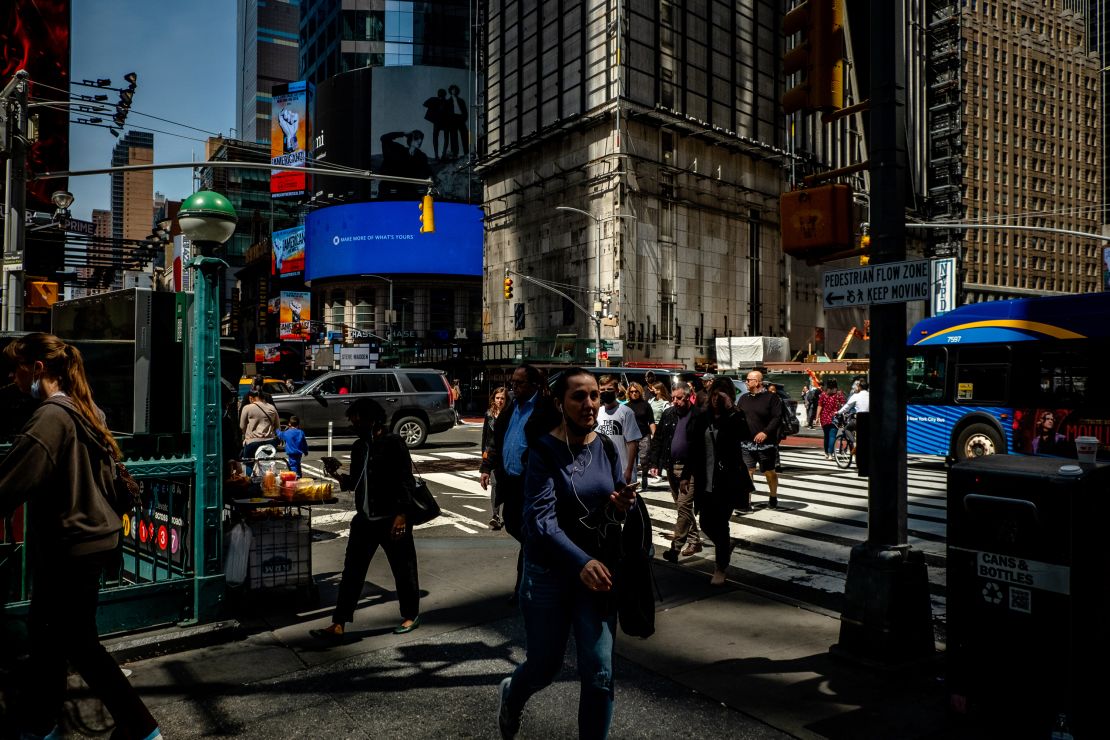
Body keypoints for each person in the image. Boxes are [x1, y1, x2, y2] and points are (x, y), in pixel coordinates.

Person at [0, 333, 163, 740]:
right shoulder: (86, 409)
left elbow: (8, 485)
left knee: (77, 643)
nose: (12, 376)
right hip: (92, 541)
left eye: (16, 367)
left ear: (38, 369)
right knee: (49, 639)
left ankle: (142, 728)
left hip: (69, 545)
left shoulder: (50, 418)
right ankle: (43, 722)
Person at [496, 368, 638, 740]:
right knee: (544, 666)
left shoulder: (606, 446)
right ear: (560, 403)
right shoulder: (543, 450)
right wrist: (581, 562)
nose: (589, 404)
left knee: (600, 673)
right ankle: (513, 693)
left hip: (597, 576)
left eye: (594, 395)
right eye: (579, 396)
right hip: (549, 574)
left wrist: (620, 505)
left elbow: (611, 506)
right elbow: (540, 522)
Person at [312, 398, 421, 638]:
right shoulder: (359, 447)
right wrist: (337, 475)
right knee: (352, 571)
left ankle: (410, 615)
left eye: (357, 421)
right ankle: (339, 622)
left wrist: (402, 515)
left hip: (392, 517)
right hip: (365, 520)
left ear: (372, 420)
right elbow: (355, 483)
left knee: (403, 569)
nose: (354, 425)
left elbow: (406, 481)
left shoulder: (393, 443)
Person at [479, 365, 559, 604]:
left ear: (535, 384)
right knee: (515, 526)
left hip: (533, 484)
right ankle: (538, 568)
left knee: (530, 534)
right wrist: (486, 466)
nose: (514, 386)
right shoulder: (512, 406)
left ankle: (524, 587)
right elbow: (496, 440)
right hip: (510, 482)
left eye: (519, 383)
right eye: (513, 382)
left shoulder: (546, 409)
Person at [688, 376, 755, 586]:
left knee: (721, 522)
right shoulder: (702, 416)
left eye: (722, 395)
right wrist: (685, 475)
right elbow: (694, 447)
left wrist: (731, 407)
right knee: (705, 522)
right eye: (715, 393)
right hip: (704, 478)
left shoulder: (734, 418)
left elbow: (747, 434)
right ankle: (724, 545)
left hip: (727, 480)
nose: (717, 398)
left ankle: (720, 568)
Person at [649, 382, 702, 561]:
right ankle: (695, 541)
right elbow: (659, 439)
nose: (675, 401)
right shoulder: (669, 413)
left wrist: (686, 476)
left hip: (690, 469)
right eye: (673, 398)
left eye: (679, 398)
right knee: (682, 508)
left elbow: (697, 449)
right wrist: (654, 462)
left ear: (688, 397)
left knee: (684, 506)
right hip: (671, 466)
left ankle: (675, 548)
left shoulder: (698, 416)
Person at [738, 369, 783, 510]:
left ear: (757, 382)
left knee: (769, 472)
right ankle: (746, 502)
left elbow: (777, 418)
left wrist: (765, 432)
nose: (746, 382)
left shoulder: (771, 398)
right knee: (748, 471)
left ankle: (773, 496)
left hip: (766, 444)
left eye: (748, 380)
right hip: (746, 443)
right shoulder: (744, 398)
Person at [595, 374, 642, 484]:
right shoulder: (597, 412)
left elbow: (633, 444)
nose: (606, 392)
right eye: (602, 389)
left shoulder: (626, 412)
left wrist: (629, 470)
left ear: (616, 391)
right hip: (603, 471)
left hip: (622, 471)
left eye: (609, 389)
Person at [482, 386, 508, 530]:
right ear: (493, 399)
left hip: (507, 455)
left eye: (502, 398)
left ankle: (507, 515)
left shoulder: (510, 415)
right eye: (497, 398)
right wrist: (484, 461)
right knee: (495, 484)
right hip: (492, 456)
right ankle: (495, 515)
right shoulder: (489, 414)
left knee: (507, 485)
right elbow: (485, 438)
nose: (499, 401)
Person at [239, 388, 279, 475]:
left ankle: (250, 481)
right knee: (268, 465)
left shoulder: (247, 408)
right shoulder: (271, 407)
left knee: (249, 463)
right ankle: (268, 483)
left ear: (251, 398)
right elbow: (277, 426)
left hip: (252, 442)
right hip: (270, 442)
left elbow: (242, 426)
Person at [624, 382, 655, 491]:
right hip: (630, 437)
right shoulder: (625, 407)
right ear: (629, 392)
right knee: (631, 460)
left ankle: (645, 477)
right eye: (631, 391)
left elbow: (651, 421)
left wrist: (654, 435)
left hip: (643, 435)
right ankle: (633, 480)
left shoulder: (646, 405)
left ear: (640, 391)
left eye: (636, 391)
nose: (634, 393)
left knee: (644, 459)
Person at [817, 380, 846, 461]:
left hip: (824, 418)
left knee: (826, 436)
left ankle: (826, 452)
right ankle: (830, 454)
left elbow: (819, 406)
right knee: (832, 436)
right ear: (835, 387)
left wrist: (816, 417)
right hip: (835, 418)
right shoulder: (839, 395)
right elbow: (844, 405)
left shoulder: (823, 395)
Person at [422, 88, 449, 160]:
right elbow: (425, 104)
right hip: (440, 122)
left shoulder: (442, 101)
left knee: (439, 137)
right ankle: (439, 155)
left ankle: (440, 155)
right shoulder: (438, 100)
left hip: (441, 122)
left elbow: (425, 104)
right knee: (442, 137)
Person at [446, 84, 469, 159]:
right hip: (452, 120)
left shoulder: (461, 100)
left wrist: (464, 118)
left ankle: (466, 152)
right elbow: (447, 113)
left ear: (457, 91)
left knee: (465, 134)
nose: (454, 91)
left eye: (455, 89)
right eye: (452, 89)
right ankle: (455, 154)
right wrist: (450, 120)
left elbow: (465, 111)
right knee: (453, 136)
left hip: (460, 118)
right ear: (450, 91)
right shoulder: (448, 102)